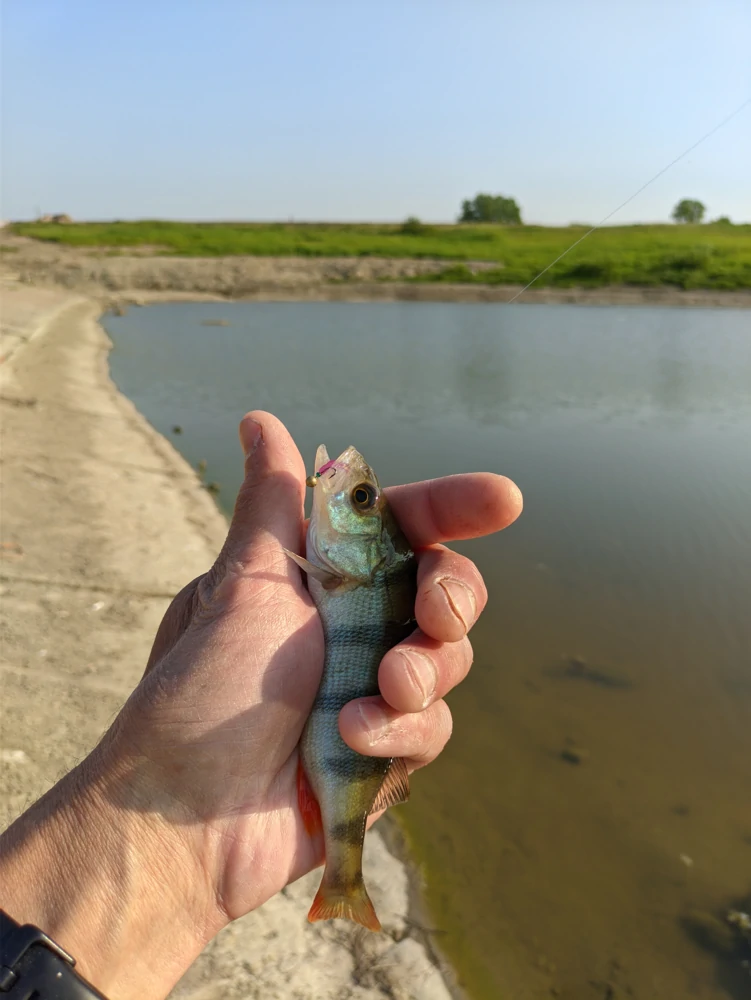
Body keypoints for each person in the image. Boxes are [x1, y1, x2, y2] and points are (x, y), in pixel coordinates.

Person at [0, 412, 523, 1000]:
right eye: (361, 496)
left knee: (401, 690)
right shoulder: (322, 571)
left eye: (358, 498)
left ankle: (341, 878)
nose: (344, 488)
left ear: (369, 556)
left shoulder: (341, 568)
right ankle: (342, 875)